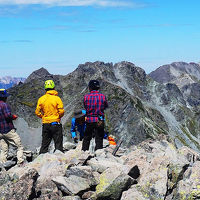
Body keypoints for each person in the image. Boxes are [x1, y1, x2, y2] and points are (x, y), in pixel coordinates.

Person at [35, 80, 64, 154]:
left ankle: (41, 160)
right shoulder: (57, 98)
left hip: (46, 124)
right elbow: (61, 111)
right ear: (54, 87)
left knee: (45, 144)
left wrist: (43, 117)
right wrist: (58, 117)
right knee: (58, 144)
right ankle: (59, 161)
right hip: (55, 123)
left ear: (45, 88)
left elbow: (37, 112)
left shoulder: (41, 99)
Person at [82, 80, 108, 151]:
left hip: (89, 119)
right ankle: (99, 154)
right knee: (99, 138)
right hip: (99, 120)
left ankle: (84, 153)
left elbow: (85, 107)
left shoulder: (86, 97)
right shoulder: (102, 96)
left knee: (87, 137)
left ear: (90, 87)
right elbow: (105, 106)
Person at [0, 89, 24, 165]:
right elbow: (7, 116)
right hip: (8, 130)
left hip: (0, 132)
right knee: (19, 146)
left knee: (4, 148)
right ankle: (20, 162)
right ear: (4, 97)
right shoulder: (4, 105)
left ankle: (2, 163)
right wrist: (13, 117)